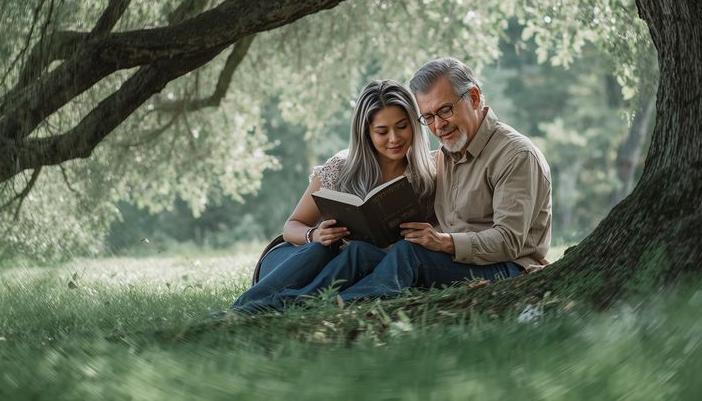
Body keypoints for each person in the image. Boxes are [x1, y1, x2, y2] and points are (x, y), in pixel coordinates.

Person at [245, 57, 551, 310]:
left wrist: (442, 241)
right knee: (358, 253)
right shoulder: (446, 155)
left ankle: (316, 307)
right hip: (448, 259)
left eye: (445, 110)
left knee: (409, 254)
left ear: (473, 97)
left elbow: (510, 241)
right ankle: (261, 306)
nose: (438, 125)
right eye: (428, 117)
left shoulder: (515, 155)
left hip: (504, 266)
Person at [227, 79, 436, 314]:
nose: (394, 138)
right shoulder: (340, 168)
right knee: (321, 251)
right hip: (295, 261)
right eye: (382, 131)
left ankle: (273, 308)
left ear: (415, 126)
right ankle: (240, 310)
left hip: (347, 272)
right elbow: (291, 227)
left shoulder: (426, 175)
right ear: (366, 133)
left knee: (359, 257)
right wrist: (314, 234)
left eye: (402, 126)